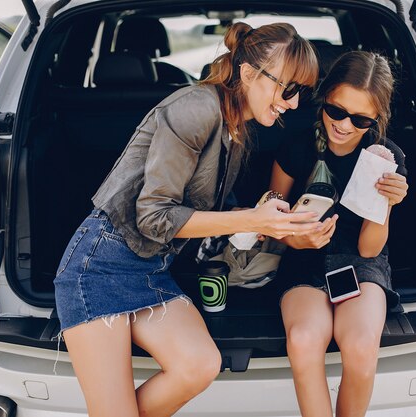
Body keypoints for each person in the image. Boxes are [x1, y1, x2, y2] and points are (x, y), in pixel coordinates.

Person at [53, 22, 320, 417]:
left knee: (200, 364)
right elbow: (153, 217)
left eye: (302, 92)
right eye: (289, 88)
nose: (294, 103)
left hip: (152, 267)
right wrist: (251, 220)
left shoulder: (234, 124)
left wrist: (260, 216)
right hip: (100, 265)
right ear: (248, 73)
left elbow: (203, 207)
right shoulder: (195, 108)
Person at [269, 51, 409, 417]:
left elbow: (368, 248)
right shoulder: (297, 144)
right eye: (336, 111)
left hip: (362, 265)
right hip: (303, 259)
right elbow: (270, 220)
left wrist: (387, 205)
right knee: (303, 340)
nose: (345, 125)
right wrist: (293, 238)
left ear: (377, 117)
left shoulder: (385, 157)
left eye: (361, 118)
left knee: (362, 346)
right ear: (325, 97)